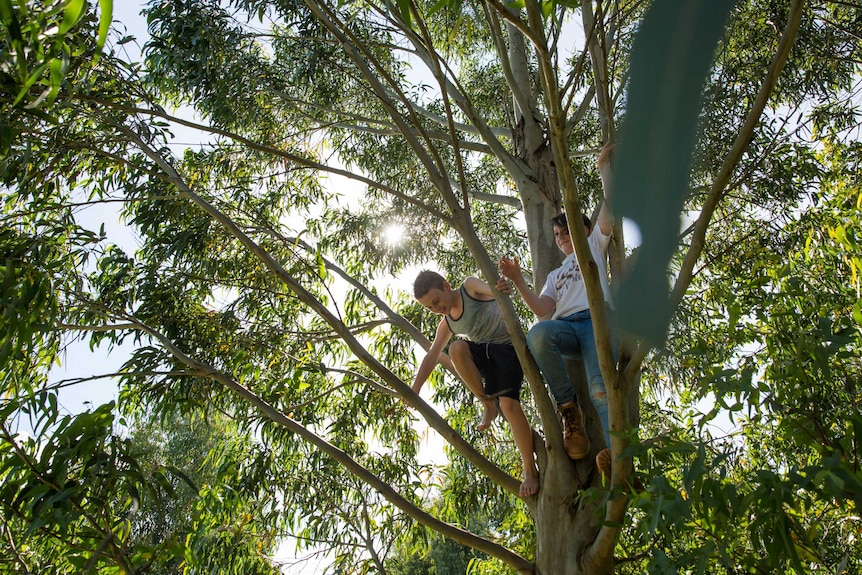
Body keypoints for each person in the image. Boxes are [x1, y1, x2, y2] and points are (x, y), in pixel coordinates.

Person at [499, 144, 617, 472]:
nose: (563, 237)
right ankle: (568, 408)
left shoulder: (594, 245)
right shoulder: (555, 274)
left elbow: (611, 205)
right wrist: (519, 279)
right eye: (557, 234)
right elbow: (541, 309)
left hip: (597, 321)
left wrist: (604, 168)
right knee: (538, 334)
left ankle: (618, 463)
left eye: (568, 230)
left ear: (585, 230)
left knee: (601, 390)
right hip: (566, 328)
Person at [411, 270, 540, 497]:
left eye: (436, 301)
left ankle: (530, 470)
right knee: (456, 348)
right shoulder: (448, 323)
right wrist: (415, 388)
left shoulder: (469, 288)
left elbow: (493, 290)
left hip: (509, 349)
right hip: (487, 356)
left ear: (446, 284)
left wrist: (501, 287)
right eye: (429, 307)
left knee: (509, 406)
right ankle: (487, 403)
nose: (436, 308)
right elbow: (431, 355)